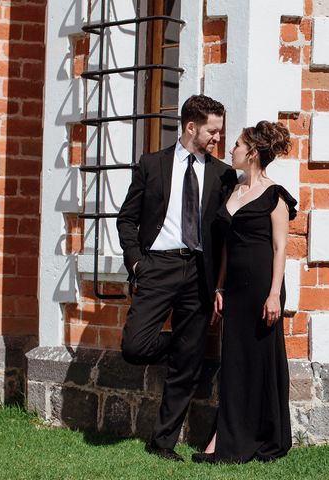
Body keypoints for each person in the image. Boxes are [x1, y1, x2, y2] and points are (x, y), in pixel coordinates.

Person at [116, 95, 237, 462]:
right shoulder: (152, 164)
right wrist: (137, 263)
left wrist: (220, 284)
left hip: (199, 271)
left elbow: (229, 232)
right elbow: (127, 219)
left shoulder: (222, 174)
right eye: (212, 131)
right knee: (135, 347)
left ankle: (163, 442)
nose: (217, 138)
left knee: (188, 362)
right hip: (158, 266)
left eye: (219, 131)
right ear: (190, 127)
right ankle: (182, 343)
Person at [192, 120, 296, 464]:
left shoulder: (275, 195)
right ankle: (226, 435)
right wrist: (220, 285)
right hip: (234, 291)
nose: (231, 149)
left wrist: (273, 296)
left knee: (257, 363)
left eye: (237, 144)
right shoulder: (233, 190)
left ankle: (246, 436)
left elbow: (281, 248)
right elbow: (225, 246)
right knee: (234, 364)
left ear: (251, 153)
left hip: (262, 291)